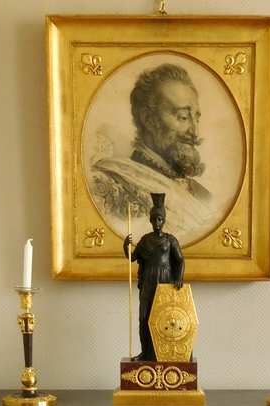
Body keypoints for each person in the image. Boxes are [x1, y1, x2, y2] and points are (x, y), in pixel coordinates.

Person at [92, 63, 216, 237]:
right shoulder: (111, 183)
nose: (195, 132)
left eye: (195, 118)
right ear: (148, 119)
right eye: (182, 117)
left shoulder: (204, 196)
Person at [124, 193, 184, 362]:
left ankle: (162, 353)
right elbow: (133, 258)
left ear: (164, 221)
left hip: (165, 280)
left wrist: (179, 278)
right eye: (154, 220)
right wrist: (125, 247)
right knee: (144, 317)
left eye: (159, 219)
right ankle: (145, 352)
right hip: (148, 281)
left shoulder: (170, 240)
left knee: (162, 318)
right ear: (150, 221)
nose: (157, 223)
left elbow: (180, 261)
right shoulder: (145, 240)